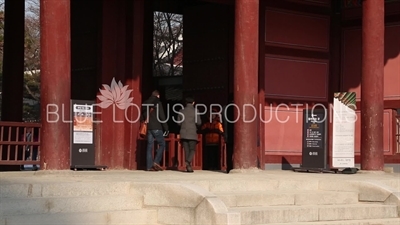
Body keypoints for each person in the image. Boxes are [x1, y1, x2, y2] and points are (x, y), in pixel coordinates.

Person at [141, 90, 169, 171]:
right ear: (158, 96)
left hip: (149, 128)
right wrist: (166, 128)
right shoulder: (157, 103)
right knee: (162, 144)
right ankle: (156, 161)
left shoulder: (145, 103)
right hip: (156, 127)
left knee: (149, 146)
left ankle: (149, 166)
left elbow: (142, 115)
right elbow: (162, 117)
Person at [177, 96, 202, 172]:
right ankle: (188, 162)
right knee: (192, 149)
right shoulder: (195, 111)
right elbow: (199, 122)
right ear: (193, 103)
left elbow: (178, 123)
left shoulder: (181, 111)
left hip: (184, 133)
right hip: (192, 133)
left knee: (186, 150)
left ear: (186, 103)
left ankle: (188, 166)